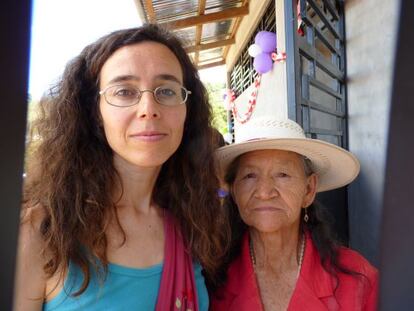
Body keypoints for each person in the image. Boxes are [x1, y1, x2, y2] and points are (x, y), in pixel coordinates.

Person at [14, 24, 229, 310]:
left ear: (187, 111)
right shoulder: (41, 230)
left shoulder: (193, 222)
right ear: (95, 112)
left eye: (166, 90)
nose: (148, 107)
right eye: (125, 91)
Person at [210, 117, 378, 310]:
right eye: (249, 176)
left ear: (308, 190)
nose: (264, 192)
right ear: (234, 191)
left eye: (282, 174)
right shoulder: (213, 281)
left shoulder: (360, 279)